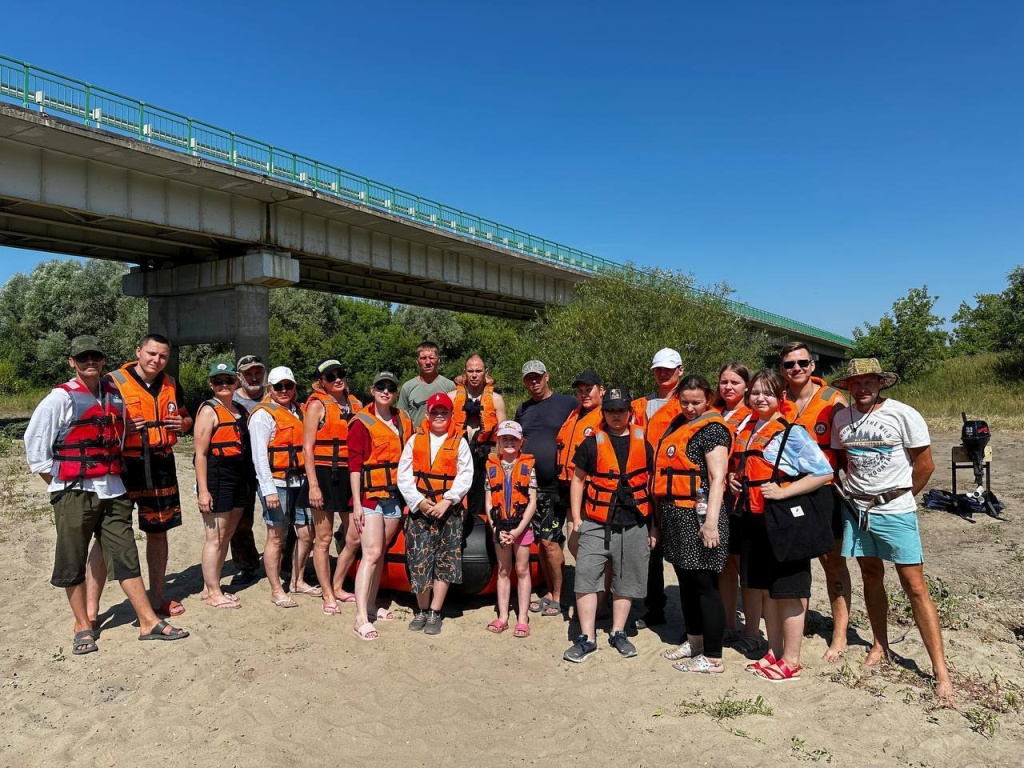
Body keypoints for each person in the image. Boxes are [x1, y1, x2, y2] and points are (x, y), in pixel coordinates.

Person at [24, 335, 188, 653]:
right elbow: (36, 449)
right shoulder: (60, 398)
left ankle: (148, 621)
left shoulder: (113, 394)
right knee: (72, 558)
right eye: (83, 357)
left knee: (125, 552)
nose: (90, 362)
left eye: (95, 357)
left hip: (114, 487)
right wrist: (60, 486)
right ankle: (84, 624)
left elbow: (119, 434)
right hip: (74, 489)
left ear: (102, 360)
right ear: (72, 361)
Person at [830, 358, 953, 700]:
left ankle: (940, 671)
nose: (862, 387)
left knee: (914, 585)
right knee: (871, 574)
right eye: (856, 383)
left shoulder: (903, 414)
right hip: (857, 508)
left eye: (869, 381)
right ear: (848, 387)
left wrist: (899, 497)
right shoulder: (843, 418)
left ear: (881, 383)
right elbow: (843, 462)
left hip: (895, 510)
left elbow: (925, 465)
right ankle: (879, 643)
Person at [728, 369, 833, 683]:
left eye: (768, 393)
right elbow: (749, 467)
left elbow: (823, 473)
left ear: (780, 398)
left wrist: (785, 490)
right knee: (767, 592)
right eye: (756, 393)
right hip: (754, 521)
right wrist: (736, 480)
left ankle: (792, 660)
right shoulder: (749, 428)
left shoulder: (791, 431)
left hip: (784, 522)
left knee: (788, 592)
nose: (761, 398)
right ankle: (773, 652)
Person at [102, 333, 193, 618]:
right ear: (138, 351)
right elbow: (97, 425)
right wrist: (123, 427)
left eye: (163, 356)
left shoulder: (171, 384)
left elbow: (187, 418)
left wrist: (183, 424)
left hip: (161, 464)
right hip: (124, 466)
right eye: (151, 354)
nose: (157, 360)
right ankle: (90, 612)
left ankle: (157, 597)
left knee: (158, 531)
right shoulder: (112, 382)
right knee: (106, 535)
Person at [564, 387, 656, 663]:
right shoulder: (592, 443)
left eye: (621, 410)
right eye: (611, 410)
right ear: (603, 413)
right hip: (596, 521)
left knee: (626, 581)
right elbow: (577, 479)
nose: (616, 415)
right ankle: (587, 637)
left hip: (635, 522)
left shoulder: (643, 442)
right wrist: (577, 518)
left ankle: (618, 632)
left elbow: (652, 487)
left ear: (630, 411)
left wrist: (653, 527)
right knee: (585, 578)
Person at [654, 376, 732, 673]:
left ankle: (712, 656)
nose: (689, 407)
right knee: (686, 583)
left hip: (699, 516)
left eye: (696, 402)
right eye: (684, 401)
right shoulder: (679, 423)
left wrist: (711, 523)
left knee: (704, 585)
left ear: (708, 399)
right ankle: (694, 641)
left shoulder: (712, 430)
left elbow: (717, 478)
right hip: (676, 514)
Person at [781, 341, 852, 663]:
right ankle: (800, 622)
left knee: (833, 563)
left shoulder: (831, 401)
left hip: (824, 491)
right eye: (789, 364)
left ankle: (839, 635)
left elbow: (847, 451)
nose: (796, 369)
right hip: (788, 490)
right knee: (795, 561)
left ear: (812, 366)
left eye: (802, 363)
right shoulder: (777, 399)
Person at [398, 392, 474, 637]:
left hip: (448, 511)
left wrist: (448, 501)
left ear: (451, 415)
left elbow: (465, 475)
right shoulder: (414, 440)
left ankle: (434, 611)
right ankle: (421, 609)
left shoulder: (459, 442)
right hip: (421, 510)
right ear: (427, 415)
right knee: (419, 561)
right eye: (435, 412)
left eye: (444, 412)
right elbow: (404, 475)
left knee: (445, 561)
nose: (439, 416)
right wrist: (418, 502)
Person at [348, 372, 413, 640]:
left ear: (395, 392)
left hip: (394, 497)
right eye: (380, 387)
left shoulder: (403, 419)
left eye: (390, 388)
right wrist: (356, 506)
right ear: (372, 390)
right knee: (371, 553)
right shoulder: (361, 423)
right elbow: (354, 467)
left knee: (380, 553)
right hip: (369, 497)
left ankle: (373, 605)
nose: (385, 391)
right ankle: (361, 616)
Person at [514, 361, 578, 619]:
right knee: (540, 543)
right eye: (529, 379)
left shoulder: (568, 403)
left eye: (538, 377)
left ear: (547, 376)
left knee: (551, 543)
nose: (534, 382)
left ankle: (560, 597)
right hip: (530, 487)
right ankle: (549, 592)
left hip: (557, 485)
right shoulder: (523, 409)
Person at [249, 366, 316, 608]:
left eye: (289, 386)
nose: (284, 390)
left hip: (300, 481)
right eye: (279, 387)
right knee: (276, 536)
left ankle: (297, 580)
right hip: (276, 483)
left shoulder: (300, 411)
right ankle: (276, 589)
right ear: (270, 389)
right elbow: (258, 456)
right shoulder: (262, 415)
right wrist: (268, 490)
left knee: (307, 533)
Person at [300, 359, 363, 614]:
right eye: (330, 377)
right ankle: (327, 592)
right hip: (324, 475)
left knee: (355, 536)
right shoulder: (317, 405)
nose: (337, 379)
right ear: (322, 382)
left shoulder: (356, 404)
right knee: (323, 538)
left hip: (350, 475)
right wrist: (313, 485)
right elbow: (307, 448)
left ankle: (337, 584)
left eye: (340, 374)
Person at [630, 348, 685, 629]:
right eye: (658, 369)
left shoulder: (687, 404)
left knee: (678, 549)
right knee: (649, 550)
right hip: (642, 486)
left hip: (673, 488)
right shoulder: (638, 405)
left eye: (668, 369)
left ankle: (693, 615)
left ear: (680, 371)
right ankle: (654, 608)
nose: (663, 373)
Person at [715, 362, 764, 654]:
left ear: (746, 386)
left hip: (743, 500)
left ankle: (751, 631)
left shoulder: (753, 416)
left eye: (734, 382)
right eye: (723, 382)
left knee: (747, 567)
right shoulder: (714, 413)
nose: (728, 387)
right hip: (717, 500)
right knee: (724, 564)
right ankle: (728, 624)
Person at [193, 361, 247, 609]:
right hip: (217, 477)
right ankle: (214, 592)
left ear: (236, 382)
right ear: (211, 384)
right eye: (218, 381)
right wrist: (203, 491)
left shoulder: (239, 410)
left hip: (238, 477)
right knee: (214, 537)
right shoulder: (208, 411)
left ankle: (210, 585)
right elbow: (200, 454)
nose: (224, 385)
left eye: (228, 380)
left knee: (226, 535)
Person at [484, 420, 538, 638]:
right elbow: (488, 502)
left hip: (521, 527)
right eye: (504, 438)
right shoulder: (490, 466)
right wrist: (496, 527)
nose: (509, 442)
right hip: (500, 526)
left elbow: (532, 502)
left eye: (513, 439)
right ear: (498, 441)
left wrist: (517, 531)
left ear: (520, 442)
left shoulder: (528, 467)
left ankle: (522, 618)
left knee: (522, 570)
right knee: (503, 570)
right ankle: (503, 616)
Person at [451, 354, 507, 518]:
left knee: (482, 505)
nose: (474, 375)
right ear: (464, 373)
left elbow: (502, 436)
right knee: (456, 503)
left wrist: (501, 462)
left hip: (484, 458)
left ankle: (482, 534)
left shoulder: (496, 399)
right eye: (470, 371)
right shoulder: (452, 397)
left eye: (478, 371)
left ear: (485, 372)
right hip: (457, 456)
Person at [228, 354, 268, 584]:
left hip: (272, 467)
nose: (254, 377)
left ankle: (285, 563)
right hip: (241, 468)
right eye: (248, 373)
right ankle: (247, 565)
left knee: (283, 518)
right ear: (239, 376)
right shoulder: (229, 399)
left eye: (258, 372)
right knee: (241, 520)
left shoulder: (276, 396)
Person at [397, 341, 456, 425]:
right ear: (417, 361)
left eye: (432, 358)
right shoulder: (407, 387)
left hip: (442, 436)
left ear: (438, 360)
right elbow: (400, 417)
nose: (428, 362)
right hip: (416, 436)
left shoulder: (449, 386)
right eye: (423, 358)